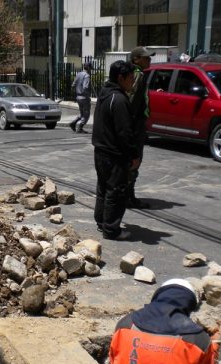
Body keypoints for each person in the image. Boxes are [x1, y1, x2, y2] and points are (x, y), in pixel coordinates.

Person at [91, 60, 139, 241]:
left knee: (103, 188)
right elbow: (124, 132)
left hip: (100, 151)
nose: (133, 82)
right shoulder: (118, 99)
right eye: (131, 78)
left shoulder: (105, 94)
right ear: (121, 78)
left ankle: (102, 221)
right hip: (114, 154)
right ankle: (111, 229)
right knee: (116, 190)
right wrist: (133, 155)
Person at [127, 46, 155, 209]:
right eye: (146, 57)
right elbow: (132, 100)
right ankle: (128, 196)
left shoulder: (136, 73)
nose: (149, 60)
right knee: (134, 160)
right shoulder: (137, 75)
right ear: (136, 59)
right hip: (135, 124)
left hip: (136, 123)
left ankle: (127, 194)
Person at [69, 61, 93, 134]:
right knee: (86, 114)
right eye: (90, 68)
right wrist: (87, 95)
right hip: (84, 97)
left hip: (78, 97)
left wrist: (77, 92)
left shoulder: (78, 74)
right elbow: (85, 87)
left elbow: (73, 85)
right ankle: (80, 128)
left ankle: (73, 123)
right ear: (88, 68)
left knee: (82, 113)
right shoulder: (87, 76)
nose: (91, 70)